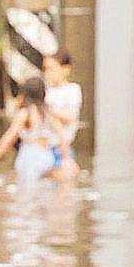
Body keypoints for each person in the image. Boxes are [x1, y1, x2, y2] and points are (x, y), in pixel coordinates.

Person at [0, 75, 65, 182]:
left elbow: (11, 135)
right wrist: (64, 159)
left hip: (30, 156)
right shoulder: (49, 112)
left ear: (24, 93)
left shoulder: (25, 112)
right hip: (48, 157)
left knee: (26, 192)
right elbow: (62, 136)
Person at [44, 49, 83, 181]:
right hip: (45, 147)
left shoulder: (72, 90)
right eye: (46, 69)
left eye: (51, 69)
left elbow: (71, 116)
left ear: (65, 69)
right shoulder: (46, 91)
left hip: (62, 147)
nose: (48, 73)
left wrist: (49, 110)